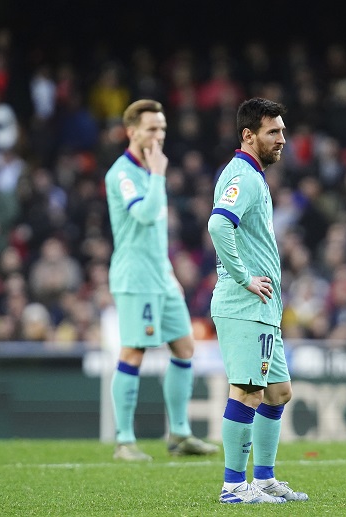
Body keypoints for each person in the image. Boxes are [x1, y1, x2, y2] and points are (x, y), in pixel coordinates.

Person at [104, 99, 218, 461]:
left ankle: (180, 434)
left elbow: (155, 231)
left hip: (161, 276)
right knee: (134, 352)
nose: (159, 135)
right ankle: (124, 441)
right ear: (132, 131)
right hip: (135, 278)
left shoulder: (151, 169)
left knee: (185, 348)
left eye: (163, 129)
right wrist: (157, 173)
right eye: (152, 128)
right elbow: (146, 213)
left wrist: (168, 270)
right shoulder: (122, 173)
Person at [207, 98, 308, 504]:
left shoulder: (254, 175)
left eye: (282, 130)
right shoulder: (242, 176)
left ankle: (263, 479)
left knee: (278, 391)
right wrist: (245, 277)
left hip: (263, 309)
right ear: (249, 135)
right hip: (243, 306)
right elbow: (218, 224)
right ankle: (233, 487)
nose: (283, 139)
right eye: (274, 132)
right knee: (247, 390)